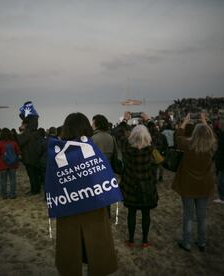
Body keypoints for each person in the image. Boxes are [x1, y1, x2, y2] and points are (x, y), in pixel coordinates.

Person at [55, 112, 118, 276]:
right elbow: (104, 182)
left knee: (72, 251)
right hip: (94, 208)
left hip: (68, 208)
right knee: (95, 249)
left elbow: (53, 185)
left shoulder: (58, 154)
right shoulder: (93, 150)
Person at [172, 113, 217, 252]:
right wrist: (205, 122)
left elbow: (178, 136)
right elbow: (212, 136)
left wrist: (185, 122)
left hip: (188, 184)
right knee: (202, 216)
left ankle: (187, 243)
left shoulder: (188, 144)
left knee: (188, 215)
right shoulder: (212, 146)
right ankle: (202, 242)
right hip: (204, 184)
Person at [115, 112, 159, 249]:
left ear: (133, 136)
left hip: (130, 186)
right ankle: (145, 241)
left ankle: (131, 240)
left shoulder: (127, 148)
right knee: (146, 214)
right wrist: (148, 120)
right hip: (147, 187)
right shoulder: (150, 148)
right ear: (147, 137)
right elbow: (156, 134)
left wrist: (125, 120)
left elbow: (118, 133)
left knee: (131, 213)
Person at [0, 128, 21, 199]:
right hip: (13, 164)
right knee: (12, 180)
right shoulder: (14, 143)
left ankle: (4, 195)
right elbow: (18, 152)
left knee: (3, 180)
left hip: (2, 163)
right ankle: (12, 194)